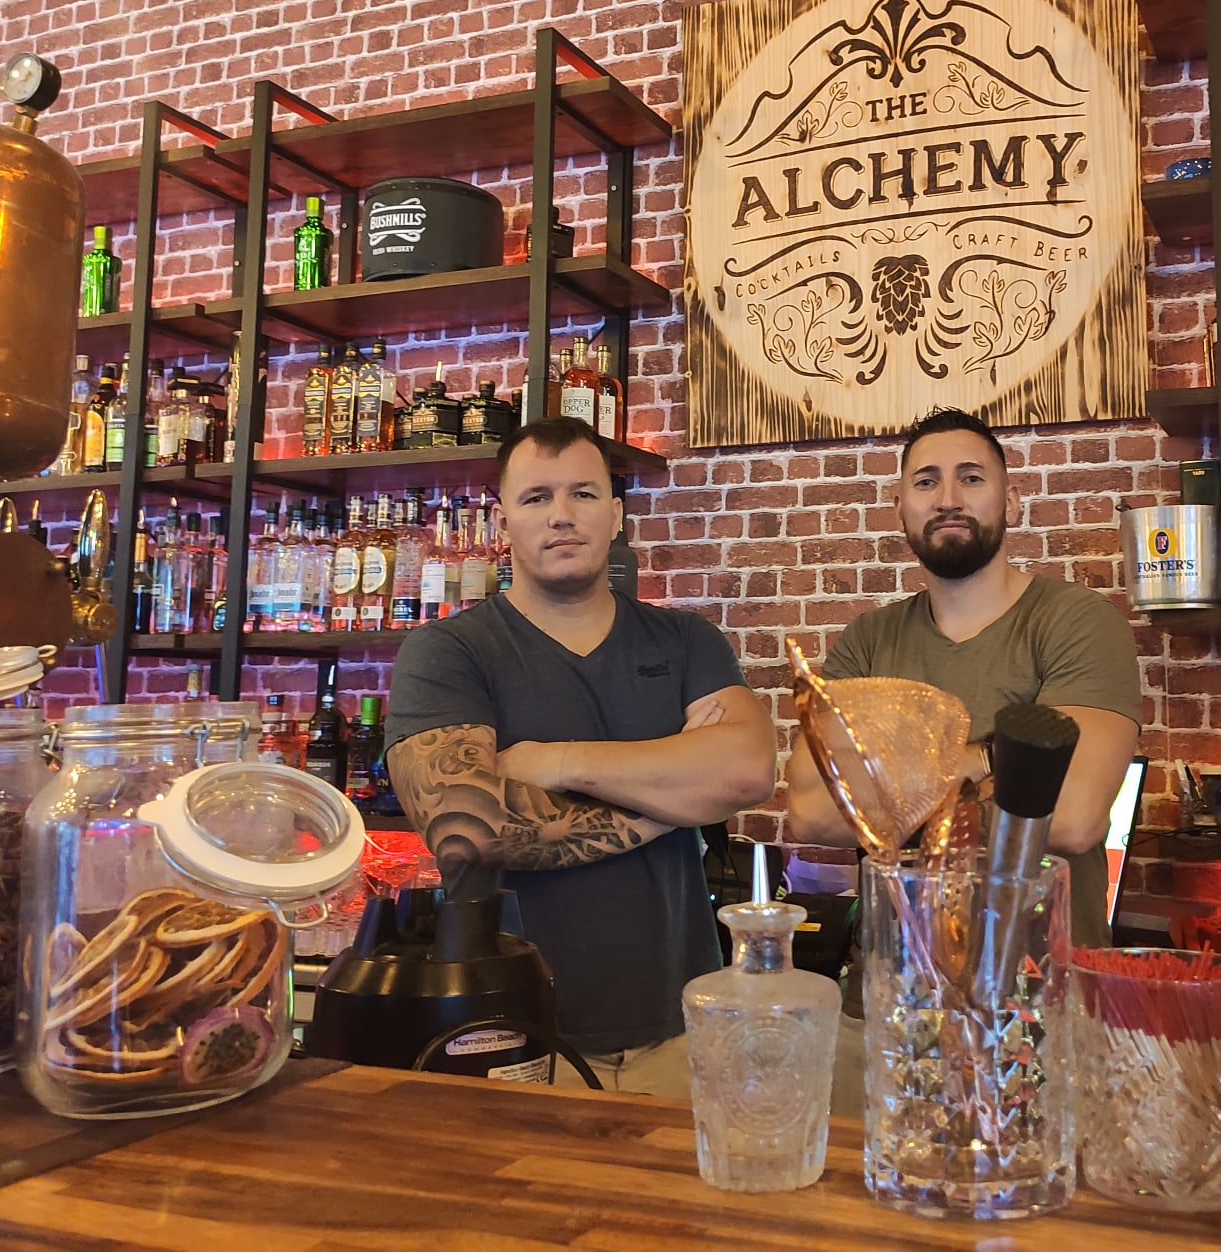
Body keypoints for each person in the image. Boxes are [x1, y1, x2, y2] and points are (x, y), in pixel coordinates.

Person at [386, 417, 776, 1096]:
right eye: (537, 498)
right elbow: (465, 828)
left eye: (584, 495)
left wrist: (554, 761)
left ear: (617, 515)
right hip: (510, 1030)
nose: (561, 516)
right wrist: (679, 793)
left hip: (680, 1024)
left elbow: (746, 770)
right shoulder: (449, 652)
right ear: (503, 518)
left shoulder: (685, 641)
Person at [784, 407, 1143, 947]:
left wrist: (891, 774)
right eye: (926, 481)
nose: (948, 497)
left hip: (1040, 996)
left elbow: (1071, 817)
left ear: (1011, 501)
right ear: (899, 507)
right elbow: (812, 813)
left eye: (971, 478)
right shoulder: (867, 641)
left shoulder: (1077, 621)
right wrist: (995, 759)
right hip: (895, 992)